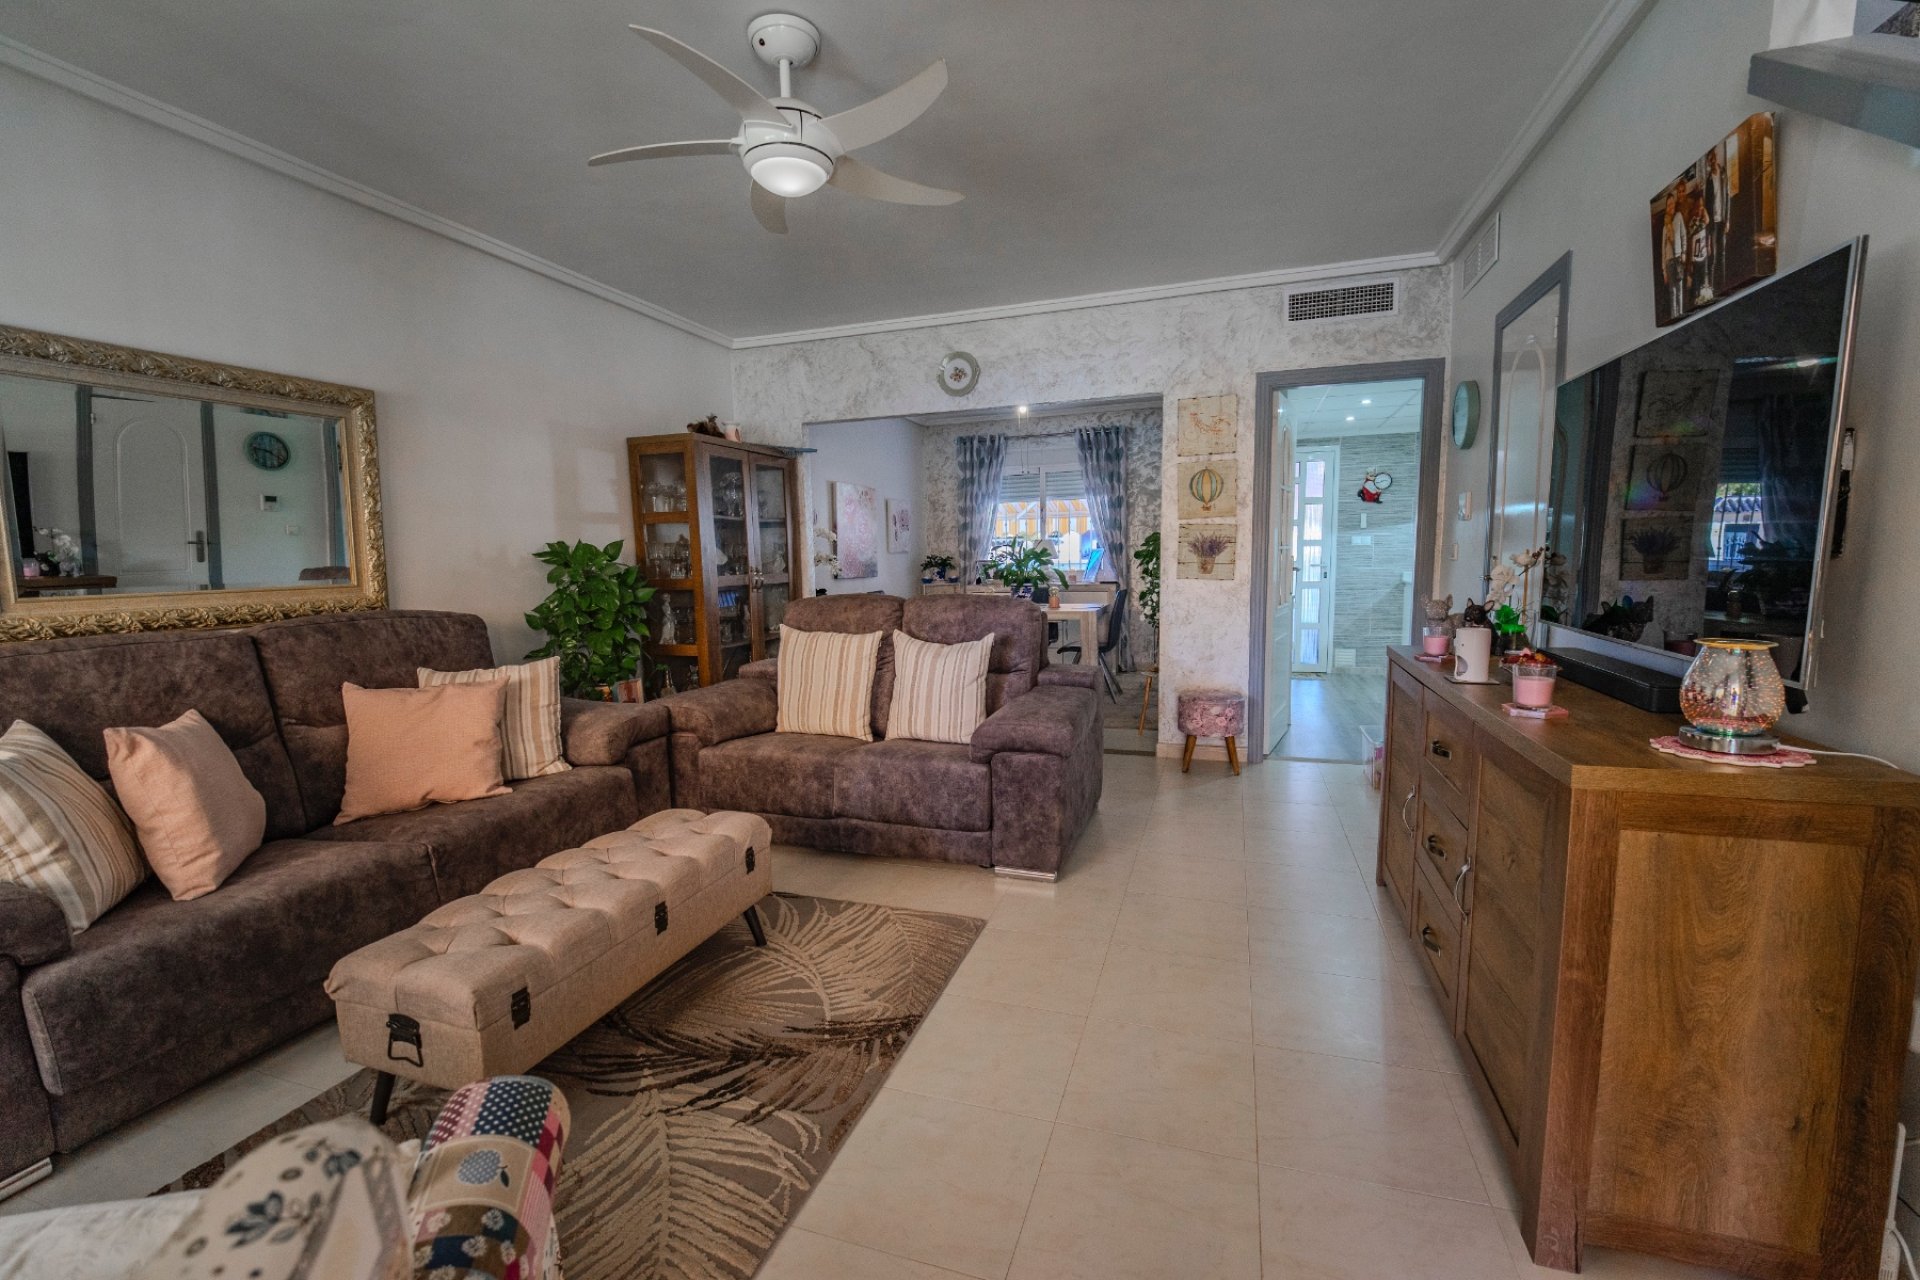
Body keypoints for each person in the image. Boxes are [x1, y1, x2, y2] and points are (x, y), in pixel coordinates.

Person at [1703, 147, 1729, 294]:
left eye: (1714, 157)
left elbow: (1728, 197)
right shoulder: (1708, 181)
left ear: (1716, 156)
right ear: (1708, 162)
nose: (1712, 161)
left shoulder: (1724, 174)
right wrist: (1707, 234)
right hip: (1713, 224)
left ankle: (1723, 286)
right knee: (1712, 256)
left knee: (1722, 254)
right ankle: (1713, 289)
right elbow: (1707, 207)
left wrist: (1728, 219)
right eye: (1710, 160)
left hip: (1723, 220)